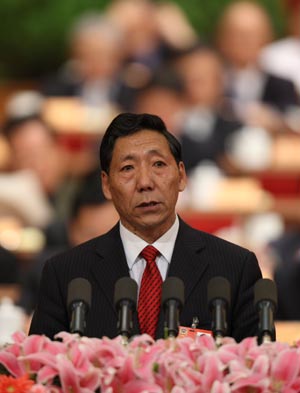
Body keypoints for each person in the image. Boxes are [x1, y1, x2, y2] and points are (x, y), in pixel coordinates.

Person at [29, 113, 263, 342]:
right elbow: (40, 372)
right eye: (128, 168)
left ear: (181, 176)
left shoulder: (235, 269)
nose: (145, 183)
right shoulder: (65, 275)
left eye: (158, 164)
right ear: (107, 185)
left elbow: (254, 371)